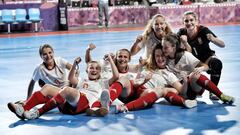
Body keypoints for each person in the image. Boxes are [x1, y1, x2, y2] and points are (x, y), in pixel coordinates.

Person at [7, 54, 119, 120]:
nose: (94, 70)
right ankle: (23, 109)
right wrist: (74, 65)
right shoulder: (81, 80)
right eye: (91, 68)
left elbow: (116, 76)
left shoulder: (102, 82)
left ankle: (38, 113)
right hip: (68, 103)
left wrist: (110, 59)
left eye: (97, 68)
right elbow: (71, 78)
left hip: (83, 106)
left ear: (100, 71)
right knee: (47, 87)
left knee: (68, 90)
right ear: (87, 70)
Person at [112, 44, 199, 113]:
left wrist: (185, 82)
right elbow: (126, 67)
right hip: (132, 89)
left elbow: (181, 91)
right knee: (123, 79)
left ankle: (125, 108)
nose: (160, 58)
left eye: (162, 55)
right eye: (157, 56)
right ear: (154, 57)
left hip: (144, 93)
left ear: (166, 56)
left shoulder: (168, 74)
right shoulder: (147, 65)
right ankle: (102, 104)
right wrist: (112, 60)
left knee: (160, 90)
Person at [161, 33, 234, 105]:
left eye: (165, 47)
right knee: (165, 90)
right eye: (162, 47)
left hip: (193, 87)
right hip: (180, 89)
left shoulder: (185, 55)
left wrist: (201, 68)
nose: (163, 50)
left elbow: (206, 66)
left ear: (174, 47)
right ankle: (185, 102)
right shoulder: (163, 58)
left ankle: (221, 95)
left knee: (194, 75)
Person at [177, 11, 225, 100]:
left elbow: (222, 44)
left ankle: (213, 92)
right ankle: (193, 90)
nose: (189, 23)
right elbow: (177, 51)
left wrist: (213, 39)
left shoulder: (203, 30)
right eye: (186, 21)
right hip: (192, 62)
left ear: (196, 21)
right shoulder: (181, 33)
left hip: (207, 58)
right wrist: (182, 43)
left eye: (191, 20)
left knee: (217, 63)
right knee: (190, 94)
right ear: (183, 23)